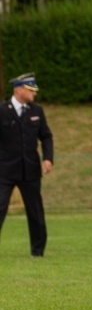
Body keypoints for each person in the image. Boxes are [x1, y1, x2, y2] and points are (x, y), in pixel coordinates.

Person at [0, 73, 53, 257]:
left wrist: (48, 158)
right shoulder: (2, 110)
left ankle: (37, 251)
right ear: (19, 90)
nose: (34, 94)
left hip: (30, 169)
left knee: (35, 211)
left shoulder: (36, 111)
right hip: (5, 170)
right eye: (31, 90)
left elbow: (46, 136)